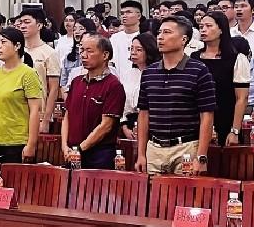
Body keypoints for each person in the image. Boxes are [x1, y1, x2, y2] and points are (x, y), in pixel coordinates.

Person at [134, 16, 217, 176]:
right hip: (154, 148)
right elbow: (143, 114)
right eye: (159, 33)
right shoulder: (149, 73)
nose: (160, 37)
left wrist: (201, 156)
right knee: (153, 192)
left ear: (183, 39)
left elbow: (207, 116)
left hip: (186, 147)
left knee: (186, 191)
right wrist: (141, 154)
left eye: (167, 32)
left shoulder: (199, 70)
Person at [0, 27, 42, 164]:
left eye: (4, 42)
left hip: (17, 141)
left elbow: (35, 111)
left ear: (17, 46)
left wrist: (31, 144)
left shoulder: (28, 74)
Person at [60, 34, 125, 169]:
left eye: (89, 51)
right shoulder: (76, 82)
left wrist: (80, 149)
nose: (83, 55)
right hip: (72, 151)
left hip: (99, 154)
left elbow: (106, 125)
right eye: (82, 50)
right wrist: (65, 146)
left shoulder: (113, 85)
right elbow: (67, 116)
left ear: (105, 55)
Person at [196, 11, 251, 146]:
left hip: (226, 119)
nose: (203, 29)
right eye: (201, 26)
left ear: (221, 29)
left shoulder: (236, 58)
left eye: (209, 26)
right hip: (197, 122)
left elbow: (241, 98)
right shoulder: (193, 57)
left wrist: (235, 130)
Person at [15, 9, 58, 132]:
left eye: (27, 22)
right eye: (21, 22)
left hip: (39, 114)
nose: (22, 26)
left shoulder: (49, 53)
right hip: (16, 113)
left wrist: (46, 120)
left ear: (39, 25)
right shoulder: (15, 51)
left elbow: (53, 89)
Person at [121, 32, 162, 140]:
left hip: (151, 124)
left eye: (138, 50)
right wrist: (124, 126)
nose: (133, 53)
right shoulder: (128, 74)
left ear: (149, 51)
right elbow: (121, 105)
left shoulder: (158, 74)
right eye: (131, 49)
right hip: (129, 123)